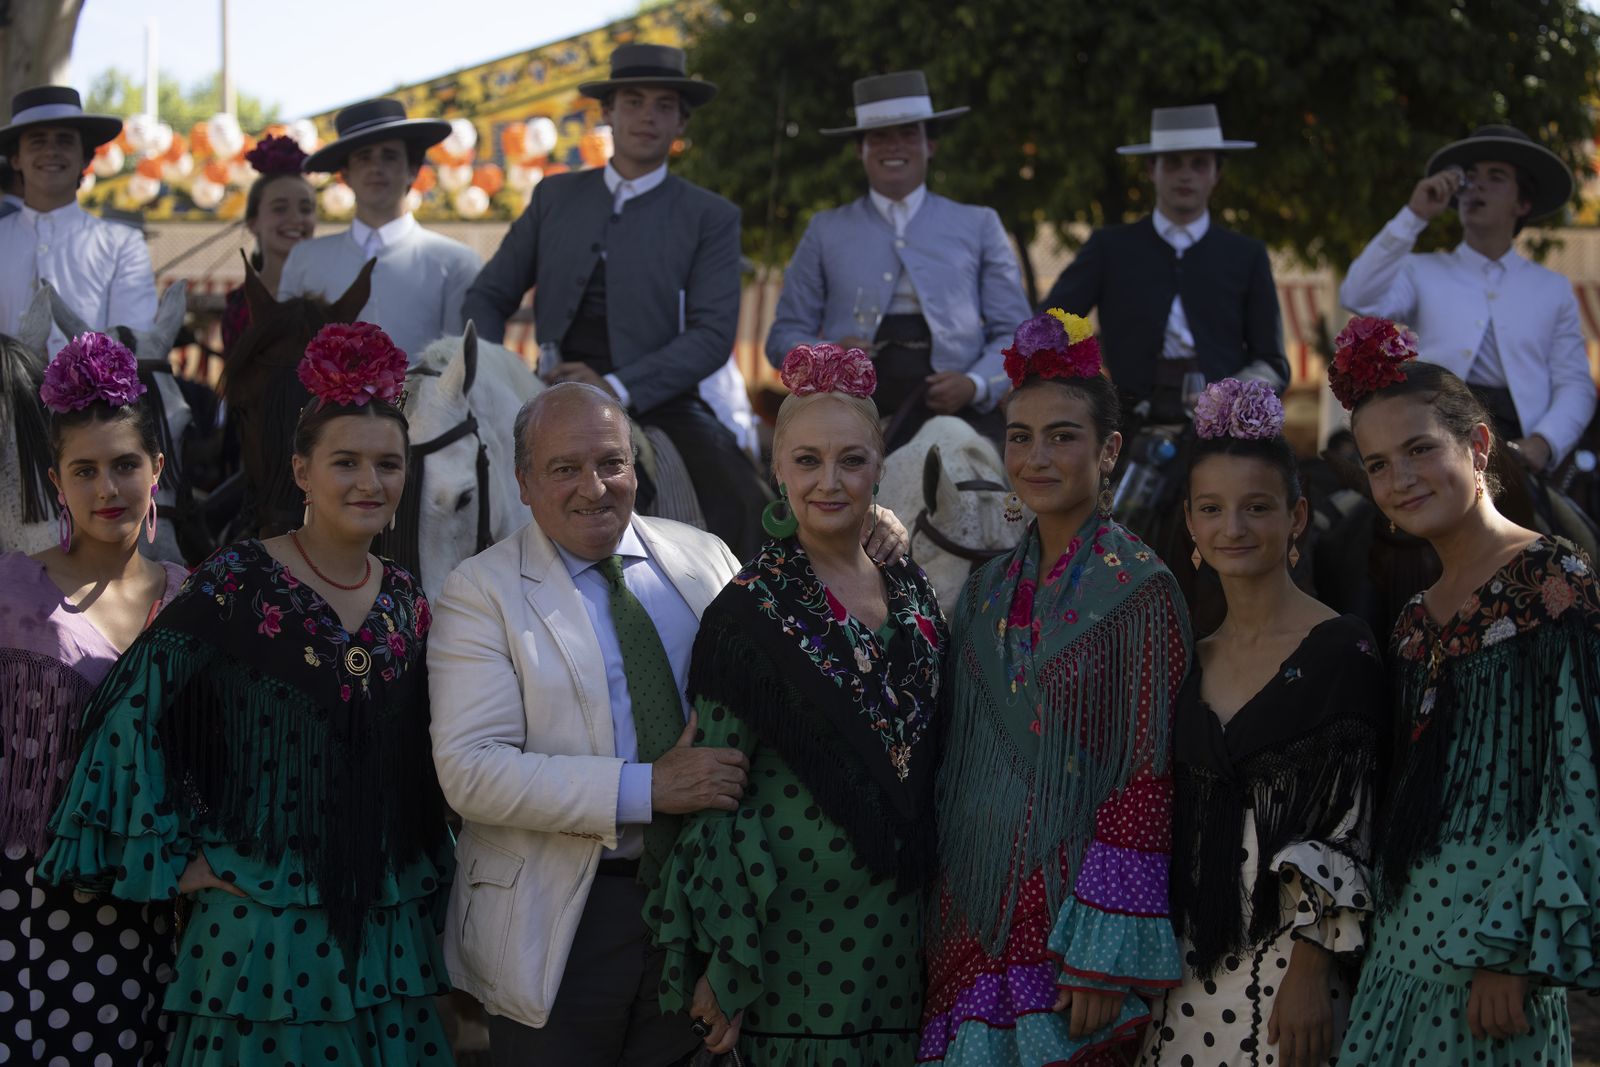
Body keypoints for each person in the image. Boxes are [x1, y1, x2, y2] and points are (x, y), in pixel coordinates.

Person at [427, 379, 910, 1064]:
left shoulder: (704, 558)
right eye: (565, 468)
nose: (593, 487)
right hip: (560, 919)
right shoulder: (481, 593)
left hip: (694, 910)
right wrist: (647, 787)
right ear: (524, 482)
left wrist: (866, 523)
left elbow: (795, 638)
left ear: (636, 466)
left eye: (611, 463)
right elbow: (471, 772)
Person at [39, 322, 456, 1065]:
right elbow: (129, 715)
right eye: (346, 461)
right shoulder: (237, 581)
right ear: (301, 470)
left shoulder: (407, 600)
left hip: (388, 936)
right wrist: (180, 861)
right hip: (260, 942)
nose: (369, 482)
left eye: (388, 463)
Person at [645, 344, 946, 1064]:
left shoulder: (914, 592)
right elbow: (718, 797)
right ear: (777, 469)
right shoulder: (745, 614)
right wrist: (726, 961)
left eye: (851, 460)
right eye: (808, 461)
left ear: (880, 467)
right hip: (797, 962)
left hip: (912, 946)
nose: (829, 482)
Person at [919, 309, 1191, 1065]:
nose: (1036, 457)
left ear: (1110, 451)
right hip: (968, 906)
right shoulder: (984, 590)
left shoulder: (1140, 590)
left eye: (1062, 436)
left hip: (1072, 919)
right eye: (1019, 436)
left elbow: (1145, 774)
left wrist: (1103, 948)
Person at [1328, 317, 1600, 1064]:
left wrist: (1510, 947)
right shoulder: (1413, 621)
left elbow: (1580, 782)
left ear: (1478, 446)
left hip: (1491, 957)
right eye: (1378, 464)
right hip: (1400, 947)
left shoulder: (1554, 579)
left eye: (1420, 449)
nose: (1400, 479)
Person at [1139, 379, 1387, 1067]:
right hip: (1184, 973)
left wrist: (1312, 967)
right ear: (1190, 523)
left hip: (1290, 979)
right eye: (1212, 509)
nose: (1234, 528)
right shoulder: (1190, 658)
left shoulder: (1341, 648)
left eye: (1256, 507)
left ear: (1296, 516)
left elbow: (1352, 820)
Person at [460, 43, 771, 559]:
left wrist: (617, 386)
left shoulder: (710, 216)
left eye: (664, 105)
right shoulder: (554, 197)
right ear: (607, 111)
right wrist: (491, 374)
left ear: (681, 122)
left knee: (742, 500)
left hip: (660, 399)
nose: (647, 116)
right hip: (546, 387)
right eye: (633, 101)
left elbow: (712, 336)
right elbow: (488, 295)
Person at [0, 333, 187, 1065]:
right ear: (57, 482)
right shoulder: (11, 595)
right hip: (31, 913)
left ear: (156, 469)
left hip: (161, 911)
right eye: (85, 470)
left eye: (125, 465)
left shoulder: (196, 601)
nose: (108, 488)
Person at [764, 71, 1032, 450]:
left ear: (930, 145)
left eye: (908, 134)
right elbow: (783, 336)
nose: (894, 146)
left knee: (993, 480)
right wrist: (830, 357)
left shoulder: (980, 224)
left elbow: (1015, 334)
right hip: (848, 410)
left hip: (960, 406)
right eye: (879, 136)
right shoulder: (825, 229)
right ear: (860, 149)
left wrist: (974, 384)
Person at [1339, 125, 1595, 475]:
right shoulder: (1420, 270)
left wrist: (1545, 442)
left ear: (1522, 203)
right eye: (1470, 176)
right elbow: (1357, 295)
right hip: (1426, 432)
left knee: (1568, 514)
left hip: (1518, 448)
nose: (1476, 185)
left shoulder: (1552, 288)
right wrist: (1414, 215)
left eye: (1496, 177)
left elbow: (1575, 384)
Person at [1040, 105, 1287, 421]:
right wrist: (1089, 392)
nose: (1185, 174)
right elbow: (1047, 329)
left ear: (1217, 173)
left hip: (1222, 430)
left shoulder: (1246, 255)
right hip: (1124, 424)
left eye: (1199, 163)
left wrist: (1231, 398)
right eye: (1172, 162)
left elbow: (1272, 362)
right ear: (1151, 169)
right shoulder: (1109, 247)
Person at [281, 99, 480, 364]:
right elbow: (285, 358)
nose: (376, 167)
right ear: (345, 175)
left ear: (412, 170)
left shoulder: (456, 262)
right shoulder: (305, 260)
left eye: (389, 156)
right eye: (364, 157)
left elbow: (462, 369)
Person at [0, 86, 156, 353]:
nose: (51, 151)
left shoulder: (123, 245)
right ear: (16, 159)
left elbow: (130, 348)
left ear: (84, 157)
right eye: (37, 141)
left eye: (64, 140)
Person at [221, 134, 316, 352]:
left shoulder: (332, 291)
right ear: (253, 223)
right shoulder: (239, 305)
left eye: (306, 209)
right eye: (280, 209)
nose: (296, 219)